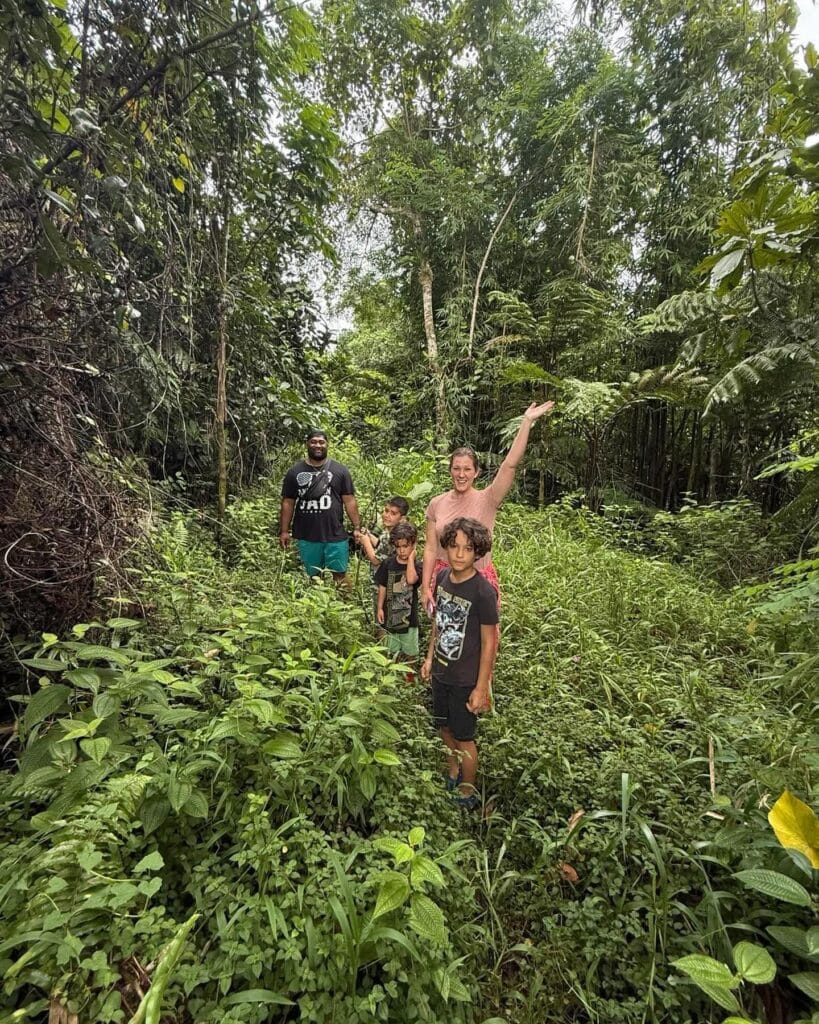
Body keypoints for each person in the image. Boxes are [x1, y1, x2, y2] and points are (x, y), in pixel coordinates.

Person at [421, 401, 555, 616]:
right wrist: (425, 586)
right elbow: (429, 548)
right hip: (445, 578)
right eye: (456, 468)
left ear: (476, 472)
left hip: (478, 580)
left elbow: (510, 464)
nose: (461, 474)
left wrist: (527, 422)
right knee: (446, 638)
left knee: (482, 641)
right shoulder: (436, 503)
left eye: (467, 469)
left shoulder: (489, 498)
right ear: (450, 471)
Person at [421, 517, 498, 811]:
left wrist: (481, 688)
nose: (459, 554)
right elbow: (438, 625)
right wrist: (429, 658)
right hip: (441, 671)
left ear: (478, 552)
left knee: (465, 736)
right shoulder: (441, 580)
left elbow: (489, 643)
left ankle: (468, 787)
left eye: (467, 549)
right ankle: (452, 769)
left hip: (466, 679)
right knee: (444, 727)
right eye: (454, 547)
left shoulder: (483, 592)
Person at [279, 429, 361, 584]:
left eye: (321, 442)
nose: (318, 445)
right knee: (314, 577)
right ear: (307, 444)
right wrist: (284, 531)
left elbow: (349, 500)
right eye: (314, 442)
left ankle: (343, 607)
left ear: (327, 445)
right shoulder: (294, 472)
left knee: (340, 575)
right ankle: (318, 607)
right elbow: (288, 502)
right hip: (308, 534)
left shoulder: (340, 470)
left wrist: (357, 527)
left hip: (335, 533)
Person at [354, 497, 410, 632]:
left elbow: (375, 559)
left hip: (384, 584)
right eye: (386, 511)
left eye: (393, 513)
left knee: (381, 618)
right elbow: (381, 545)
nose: (387, 515)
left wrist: (365, 541)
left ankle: (383, 645)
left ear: (402, 518)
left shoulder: (392, 536)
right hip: (394, 582)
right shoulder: (394, 532)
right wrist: (368, 535)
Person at [375, 521, 422, 675]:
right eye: (398, 547)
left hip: (410, 618)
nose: (401, 551)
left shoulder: (418, 566)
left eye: (406, 546)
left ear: (413, 544)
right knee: (392, 652)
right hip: (391, 615)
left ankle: (409, 680)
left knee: (410, 653)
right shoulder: (388, 564)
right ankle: (393, 678)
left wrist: (410, 559)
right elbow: (382, 586)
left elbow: (410, 579)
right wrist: (380, 607)